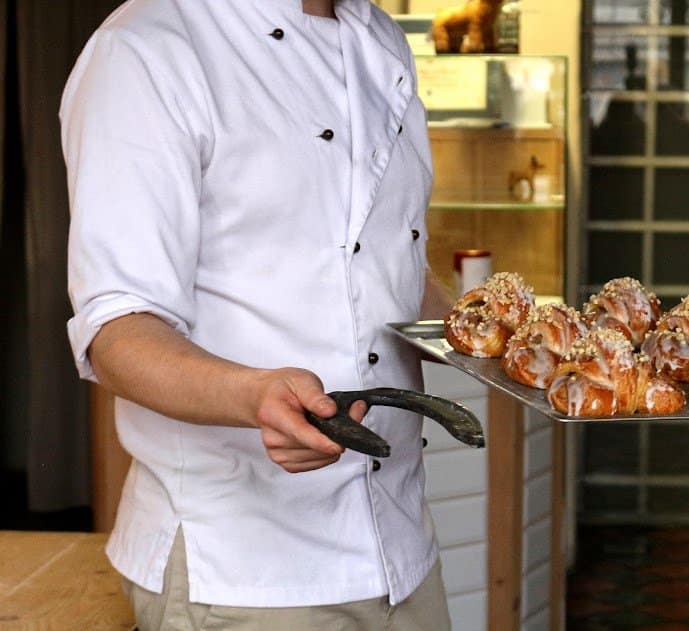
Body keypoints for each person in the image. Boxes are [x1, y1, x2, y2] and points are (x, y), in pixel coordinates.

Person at [61, 0, 453, 628]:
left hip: (402, 547)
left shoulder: (381, 38)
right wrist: (255, 396)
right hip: (244, 569)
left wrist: (495, 332)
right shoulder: (149, 47)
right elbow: (117, 329)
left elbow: (391, 263)